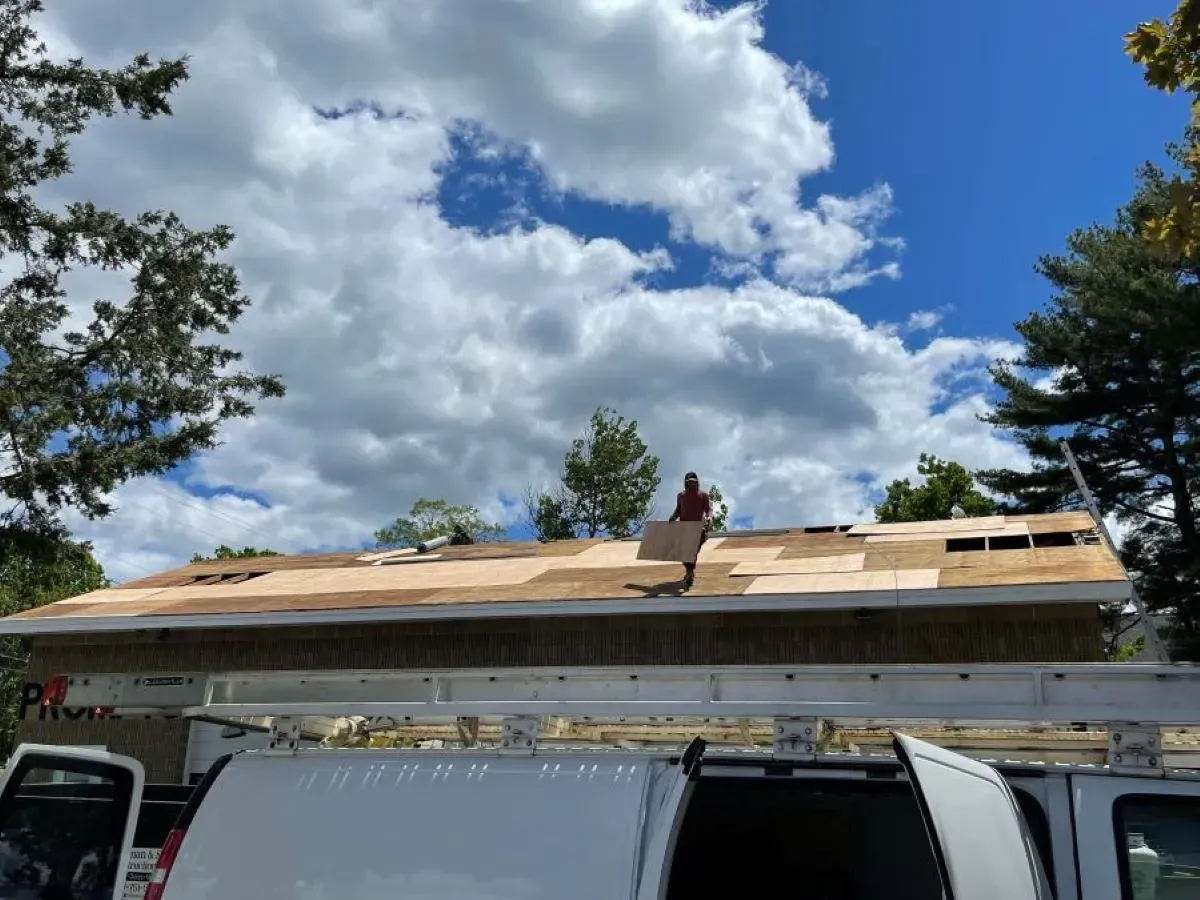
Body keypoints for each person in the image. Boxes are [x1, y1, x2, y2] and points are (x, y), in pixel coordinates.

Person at [668, 472, 712, 587]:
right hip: (684, 528)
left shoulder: (703, 495)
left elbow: (708, 509)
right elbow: (678, 509)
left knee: (693, 551)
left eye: (693, 482)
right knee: (684, 552)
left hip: (698, 528)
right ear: (686, 483)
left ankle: (689, 572)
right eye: (689, 482)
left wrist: (709, 517)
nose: (691, 484)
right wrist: (673, 517)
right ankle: (689, 572)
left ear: (697, 482)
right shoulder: (681, 496)